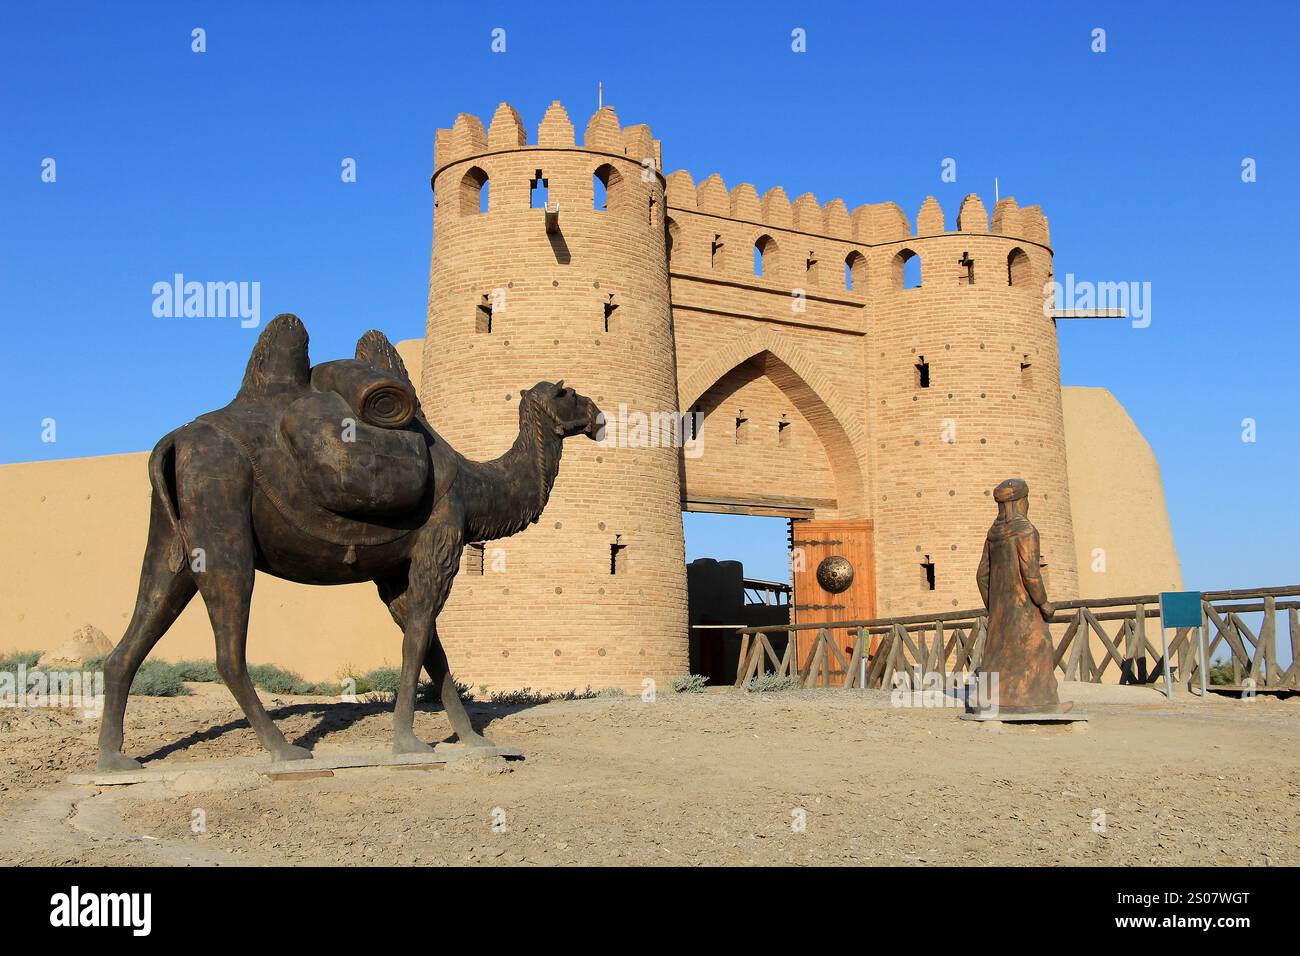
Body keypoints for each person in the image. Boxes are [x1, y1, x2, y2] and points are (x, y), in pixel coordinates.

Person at [975, 478, 1066, 714]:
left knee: (995, 654)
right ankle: (1041, 703)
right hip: (1024, 608)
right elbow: (1031, 574)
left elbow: (981, 576)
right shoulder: (1026, 531)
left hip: (1001, 611)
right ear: (1021, 502)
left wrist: (994, 607)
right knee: (1038, 646)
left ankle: (990, 702)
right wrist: (1044, 602)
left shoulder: (993, 534)